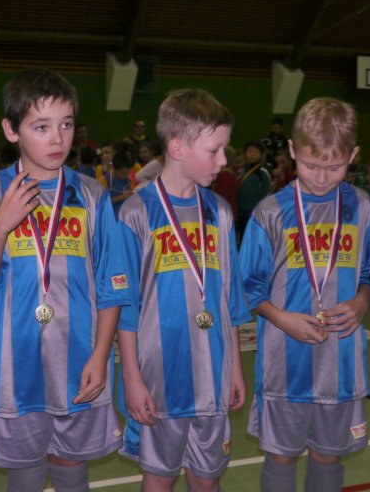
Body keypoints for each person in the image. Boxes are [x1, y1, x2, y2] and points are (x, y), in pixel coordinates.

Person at [0, 68, 130, 492]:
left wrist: (101, 355)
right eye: (41, 127)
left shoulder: (91, 195)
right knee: (25, 471)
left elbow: (112, 286)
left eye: (66, 125)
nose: (57, 139)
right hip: (17, 366)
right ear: (11, 130)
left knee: (72, 468)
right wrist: (0, 225)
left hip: (81, 362)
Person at [239, 98, 370, 492]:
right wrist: (281, 318)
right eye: (310, 165)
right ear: (291, 150)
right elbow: (248, 285)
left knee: (328, 455)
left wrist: (361, 301)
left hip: (340, 360)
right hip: (285, 363)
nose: (320, 177)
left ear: (353, 155)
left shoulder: (360, 206)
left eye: (334, 167)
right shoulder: (271, 211)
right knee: (282, 455)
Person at [117, 89, 249, 492]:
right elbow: (125, 307)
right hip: (159, 376)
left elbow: (229, 299)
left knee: (207, 480)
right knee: (159, 478)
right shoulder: (136, 213)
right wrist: (132, 379)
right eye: (214, 150)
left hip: (213, 371)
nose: (223, 160)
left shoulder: (220, 213)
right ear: (177, 148)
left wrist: (235, 368)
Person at [237, 140, 271, 234]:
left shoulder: (263, 173)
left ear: (261, 155)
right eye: (250, 151)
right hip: (241, 213)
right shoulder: (241, 172)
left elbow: (266, 194)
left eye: (256, 152)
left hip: (255, 214)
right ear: (245, 154)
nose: (253, 154)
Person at [108, 150, 136, 215]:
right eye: (122, 173)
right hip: (110, 216)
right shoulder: (105, 180)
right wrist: (123, 197)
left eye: (128, 173)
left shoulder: (128, 180)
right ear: (114, 168)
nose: (126, 176)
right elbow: (103, 203)